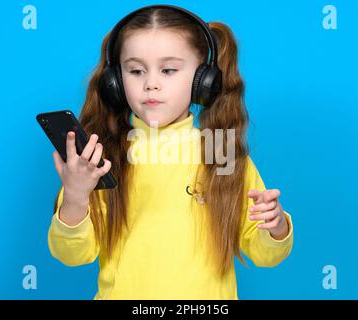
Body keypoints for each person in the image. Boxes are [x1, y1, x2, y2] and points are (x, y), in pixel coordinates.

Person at [48, 4, 293, 300]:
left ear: (203, 79)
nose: (151, 83)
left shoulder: (220, 153)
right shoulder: (100, 159)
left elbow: (265, 254)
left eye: (168, 70)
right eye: (136, 71)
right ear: (115, 81)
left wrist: (275, 226)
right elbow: (72, 255)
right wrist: (75, 195)